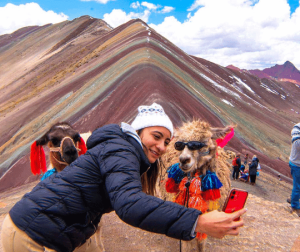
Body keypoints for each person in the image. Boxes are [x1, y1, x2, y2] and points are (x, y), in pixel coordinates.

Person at [1, 103, 246, 252]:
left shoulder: (123, 151)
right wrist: (198, 222)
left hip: (52, 226)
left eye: (167, 142)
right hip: (31, 235)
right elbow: (129, 204)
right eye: (156, 136)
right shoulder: (121, 151)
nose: (161, 147)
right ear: (138, 131)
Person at [289, 122, 300, 216]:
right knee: (297, 186)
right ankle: (295, 205)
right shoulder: (297, 128)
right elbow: (297, 144)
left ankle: (293, 198)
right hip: (297, 164)